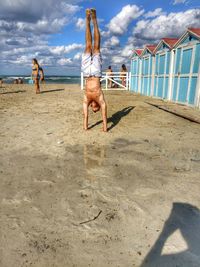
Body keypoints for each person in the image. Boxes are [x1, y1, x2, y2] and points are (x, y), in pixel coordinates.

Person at [82, 9, 107, 132]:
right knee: (96, 46)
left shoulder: (87, 99)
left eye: (93, 109)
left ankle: (87, 20)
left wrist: (86, 127)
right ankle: (95, 20)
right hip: (96, 73)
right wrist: (105, 128)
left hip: (87, 73)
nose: (94, 109)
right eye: (95, 109)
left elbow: (85, 114)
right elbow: (104, 110)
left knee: (88, 45)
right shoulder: (100, 98)